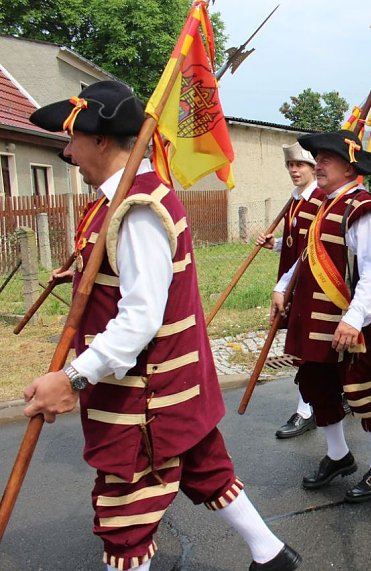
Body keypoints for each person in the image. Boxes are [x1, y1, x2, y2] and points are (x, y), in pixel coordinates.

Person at [22, 81, 300, 570]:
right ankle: (270, 554)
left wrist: (72, 378)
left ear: (102, 139)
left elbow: (140, 317)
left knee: (124, 517)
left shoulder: (138, 207)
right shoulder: (120, 200)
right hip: (168, 384)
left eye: (73, 139)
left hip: (145, 394)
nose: (67, 152)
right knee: (206, 469)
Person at [277, 130, 371, 503]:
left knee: (365, 396)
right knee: (318, 388)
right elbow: (305, 257)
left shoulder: (364, 211)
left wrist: (352, 318)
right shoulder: (324, 205)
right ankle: (338, 456)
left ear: (349, 167)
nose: (318, 165)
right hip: (318, 322)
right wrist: (283, 285)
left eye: (326, 159)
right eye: (318, 159)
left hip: (356, 324)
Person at [256, 143, 320, 439]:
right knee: (304, 346)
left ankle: (306, 409)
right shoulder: (295, 201)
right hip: (294, 284)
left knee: (307, 347)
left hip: (314, 287)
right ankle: (331, 396)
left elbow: (313, 250)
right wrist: (276, 244)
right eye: (290, 165)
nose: (294, 170)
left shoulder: (320, 201)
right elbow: (296, 242)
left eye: (300, 165)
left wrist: (283, 286)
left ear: (313, 167)